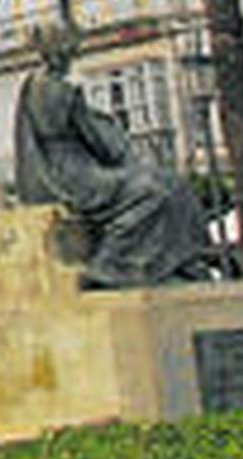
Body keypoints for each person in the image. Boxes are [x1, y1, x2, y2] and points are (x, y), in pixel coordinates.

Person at [15, 23, 209, 287]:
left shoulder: (32, 85)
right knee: (155, 192)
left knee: (166, 184)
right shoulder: (63, 90)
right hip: (78, 177)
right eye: (72, 49)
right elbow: (100, 140)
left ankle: (175, 263)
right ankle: (111, 263)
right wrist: (115, 130)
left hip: (58, 171)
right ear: (63, 51)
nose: (74, 54)